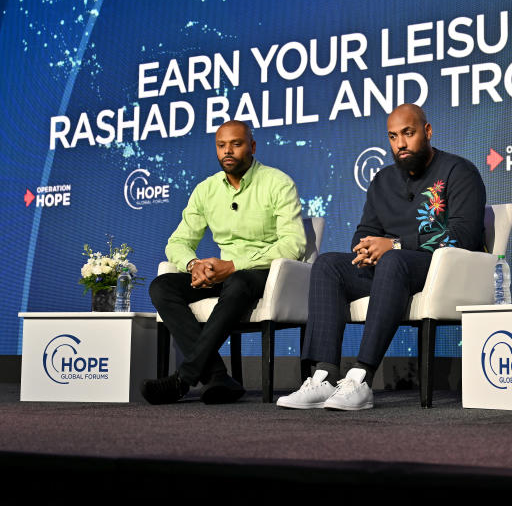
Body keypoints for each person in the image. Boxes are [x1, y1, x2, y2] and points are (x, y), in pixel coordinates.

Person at [278, 103, 486, 411]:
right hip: (391, 270)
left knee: (392, 260)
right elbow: (363, 233)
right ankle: (323, 376)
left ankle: (361, 377)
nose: (400, 144)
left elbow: (464, 236)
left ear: (427, 132)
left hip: (438, 269)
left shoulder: (459, 171)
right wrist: (366, 250)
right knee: (328, 265)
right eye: (392, 137)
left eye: (408, 133)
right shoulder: (382, 180)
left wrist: (396, 246)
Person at [141, 120, 306, 404]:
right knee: (162, 286)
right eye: (221, 145)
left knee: (239, 281)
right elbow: (177, 243)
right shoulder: (206, 190)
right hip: (223, 277)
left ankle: (184, 378)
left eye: (236, 144)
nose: (227, 151)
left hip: (263, 274)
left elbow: (294, 244)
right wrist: (195, 265)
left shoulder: (278, 183)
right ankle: (217, 376)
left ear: (252, 147)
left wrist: (233, 264)